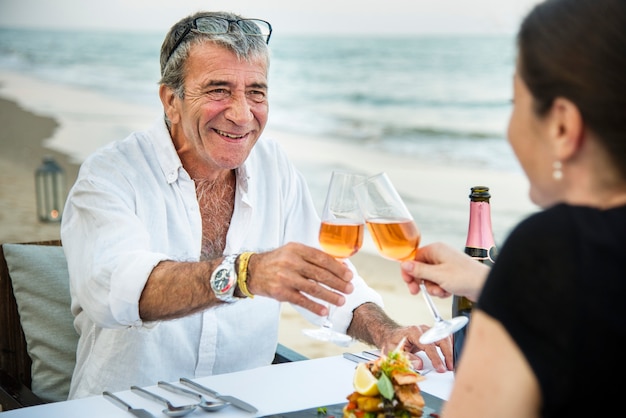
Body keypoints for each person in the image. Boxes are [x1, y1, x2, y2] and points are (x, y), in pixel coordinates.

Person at [60, 11, 452, 400]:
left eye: (256, 92)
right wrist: (245, 274)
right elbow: (116, 292)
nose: (242, 114)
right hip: (122, 408)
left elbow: (326, 278)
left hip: (246, 408)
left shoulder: (273, 165)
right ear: (171, 100)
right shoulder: (109, 174)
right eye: (218, 90)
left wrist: (387, 331)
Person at [400, 0, 626, 416]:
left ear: (561, 126)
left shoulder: (553, 247)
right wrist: (492, 284)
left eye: (514, 103)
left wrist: (515, 281)